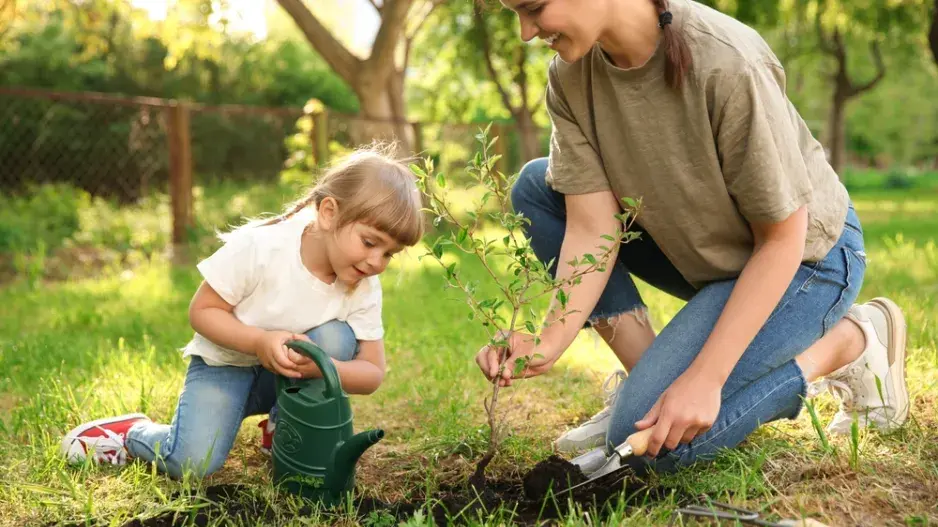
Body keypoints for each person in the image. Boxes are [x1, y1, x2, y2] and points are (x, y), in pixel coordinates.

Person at [476, 0, 909, 473]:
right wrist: (547, 344)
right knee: (539, 188)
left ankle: (851, 341)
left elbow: (783, 239)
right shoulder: (569, 77)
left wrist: (705, 378)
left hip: (807, 262)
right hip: (709, 258)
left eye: (534, 8)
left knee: (650, 449)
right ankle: (648, 389)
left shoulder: (726, 61)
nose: (524, 32)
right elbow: (591, 227)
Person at [60, 147, 425, 478]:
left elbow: (373, 372)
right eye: (369, 242)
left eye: (390, 253)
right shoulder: (263, 248)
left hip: (289, 376)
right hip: (226, 366)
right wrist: (259, 341)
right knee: (191, 463)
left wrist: (322, 367)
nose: (377, 262)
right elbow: (202, 311)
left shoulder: (362, 284)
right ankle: (132, 434)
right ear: (329, 213)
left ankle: (285, 429)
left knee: (335, 337)